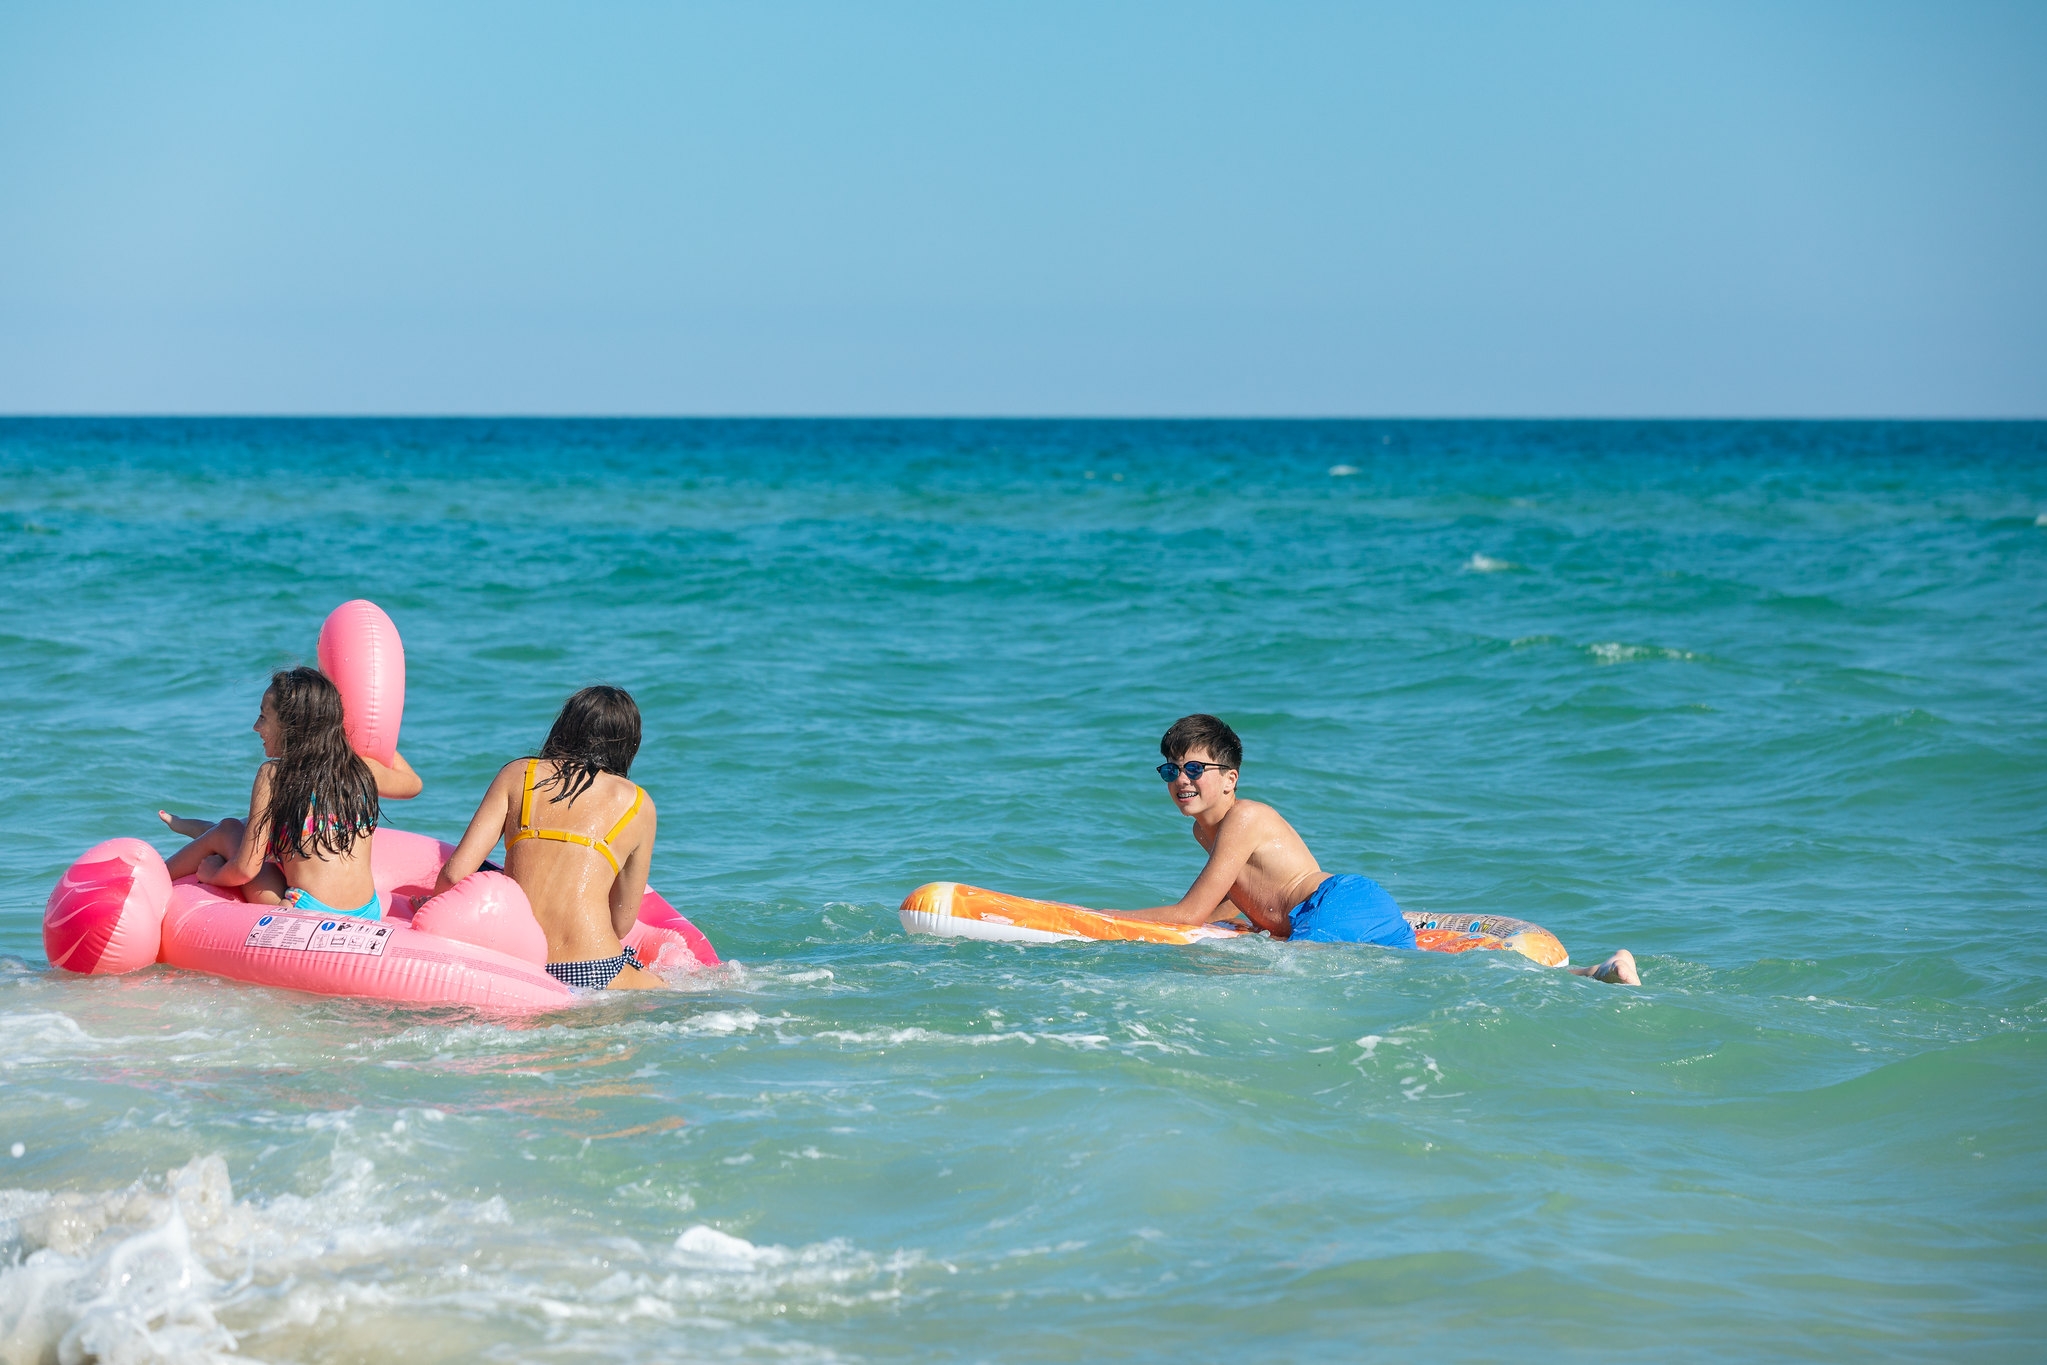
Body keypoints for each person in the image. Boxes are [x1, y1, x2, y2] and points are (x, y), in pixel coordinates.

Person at [1104, 714, 1641, 984]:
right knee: (1440, 980)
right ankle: (1597, 974)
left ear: (1230, 778)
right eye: (1171, 770)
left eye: (1195, 768)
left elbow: (1189, 912)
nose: (1181, 780)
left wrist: (1095, 919)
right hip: (1341, 912)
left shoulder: (1244, 816)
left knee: (1289, 984)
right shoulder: (1206, 832)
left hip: (1335, 904)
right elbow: (1229, 897)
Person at [427, 685, 662, 990]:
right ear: (629, 745)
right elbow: (620, 924)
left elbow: (454, 875)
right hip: (593, 966)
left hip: (517, 960)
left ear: (564, 728)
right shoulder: (638, 804)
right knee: (668, 987)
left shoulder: (518, 775)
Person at [157, 667, 419, 918]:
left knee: (228, 830)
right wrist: (370, 730)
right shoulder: (361, 768)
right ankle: (190, 827)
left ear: (291, 727)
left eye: (263, 717)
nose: (255, 728)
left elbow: (245, 869)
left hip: (305, 910)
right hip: (368, 910)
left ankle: (154, 879)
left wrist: (213, 874)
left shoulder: (274, 774)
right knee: (255, 828)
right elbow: (413, 784)